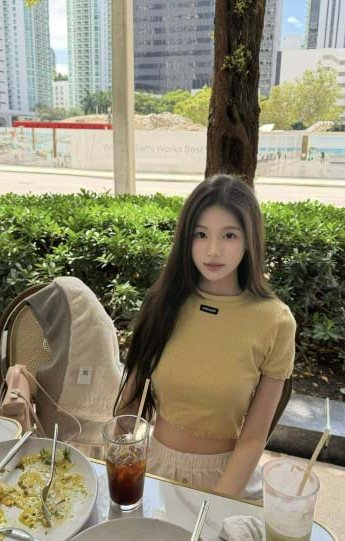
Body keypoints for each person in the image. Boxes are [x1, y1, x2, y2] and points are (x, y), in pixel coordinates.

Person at [114, 174, 296, 499]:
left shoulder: (274, 321)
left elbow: (254, 437)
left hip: (228, 479)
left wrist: (215, 502)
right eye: (201, 234)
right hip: (154, 470)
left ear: (249, 239)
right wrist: (117, 462)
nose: (213, 250)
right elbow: (128, 408)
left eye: (229, 235)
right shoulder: (163, 302)